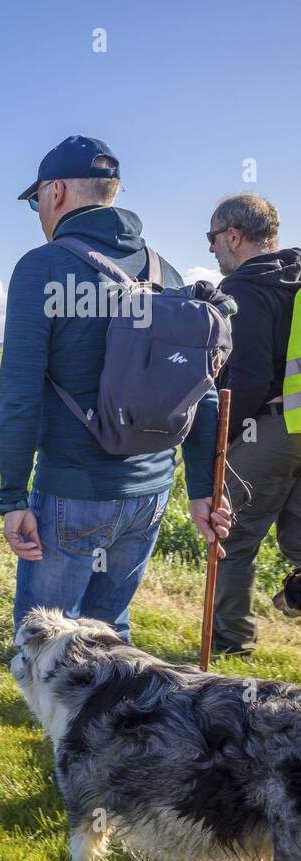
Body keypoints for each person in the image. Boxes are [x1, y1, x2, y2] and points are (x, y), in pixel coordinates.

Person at [0, 135, 231, 641]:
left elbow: (19, 393)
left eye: (36, 199)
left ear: (55, 191)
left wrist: (13, 497)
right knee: (108, 636)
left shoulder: (41, 268)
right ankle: (109, 721)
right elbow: (202, 388)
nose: (38, 210)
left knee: (45, 646)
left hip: (73, 492)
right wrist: (203, 491)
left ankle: (58, 721)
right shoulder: (163, 270)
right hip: (149, 493)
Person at [208, 195, 301, 656]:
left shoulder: (244, 289)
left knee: (232, 534)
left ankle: (231, 645)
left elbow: (248, 378)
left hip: (270, 427)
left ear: (234, 236)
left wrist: (219, 440)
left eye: (213, 238)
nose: (211, 250)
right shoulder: (297, 275)